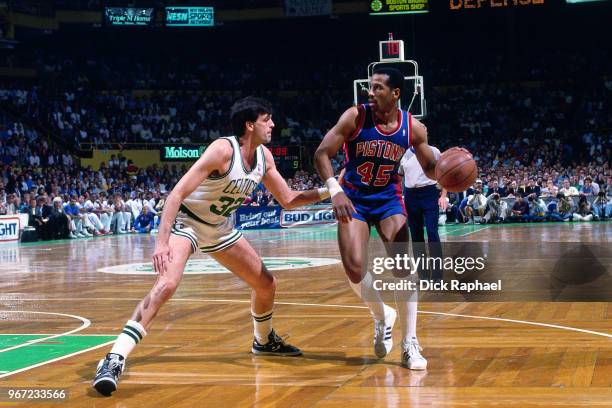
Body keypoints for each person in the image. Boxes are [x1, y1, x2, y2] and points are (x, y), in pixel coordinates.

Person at [93, 96, 330, 396]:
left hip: (219, 229)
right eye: (267, 119)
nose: (273, 124)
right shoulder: (222, 150)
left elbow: (288, 200)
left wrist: (329, 190)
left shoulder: (265, 158)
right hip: (187, 223)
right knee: (166, 285)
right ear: (249, 124)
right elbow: (176, 194)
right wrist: (161, 242)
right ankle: (114, 358)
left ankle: (264, 340)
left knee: (267, 284)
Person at [315, 67, 458, 370]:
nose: (370, 92)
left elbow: (431, 167)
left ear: (395, 94)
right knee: (354, 269)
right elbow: (321, 154)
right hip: (353, 197)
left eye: (378, 87)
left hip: (389, 199)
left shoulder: (413, 128)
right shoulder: (355, 116)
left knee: (403, 266)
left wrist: (449, 170)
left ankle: (410, 343)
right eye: (370, 86)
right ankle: (382, 316)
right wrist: (334, 190)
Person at [399, 145, 447, 281]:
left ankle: (437, 277)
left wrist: (443, 195)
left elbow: (445, 173)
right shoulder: (404, 154)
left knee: (432, 233)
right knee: (416, 236)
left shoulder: (434, 151)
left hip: (430, 192)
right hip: (410, 195)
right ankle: (423, 276)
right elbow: (399, 177)